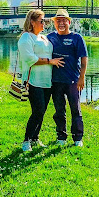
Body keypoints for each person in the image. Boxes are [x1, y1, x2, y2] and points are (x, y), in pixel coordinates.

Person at [18, 9, 64, 152]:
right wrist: (50, 61)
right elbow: (29, 59)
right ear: (32, 22)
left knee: (42, 111)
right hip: (33, 80)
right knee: (37, 111)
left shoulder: (43, 38)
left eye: (45, 21)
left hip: (46, 81)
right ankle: (26, 141)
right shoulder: (26, 38)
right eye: (42, 21)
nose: (44, 23)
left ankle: (35, 138)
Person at [48, 9, 88, 147]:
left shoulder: (77, 38)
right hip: (56, 81)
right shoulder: (50, 37)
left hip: (73, 81)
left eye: (64, 20)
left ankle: (78, 138)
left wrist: (82, 77)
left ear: (69, 22)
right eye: (58, 21)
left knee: (75, 109)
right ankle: (61, 136)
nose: (61, 23)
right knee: (59, 110)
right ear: (54, 23)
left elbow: (84, 59)